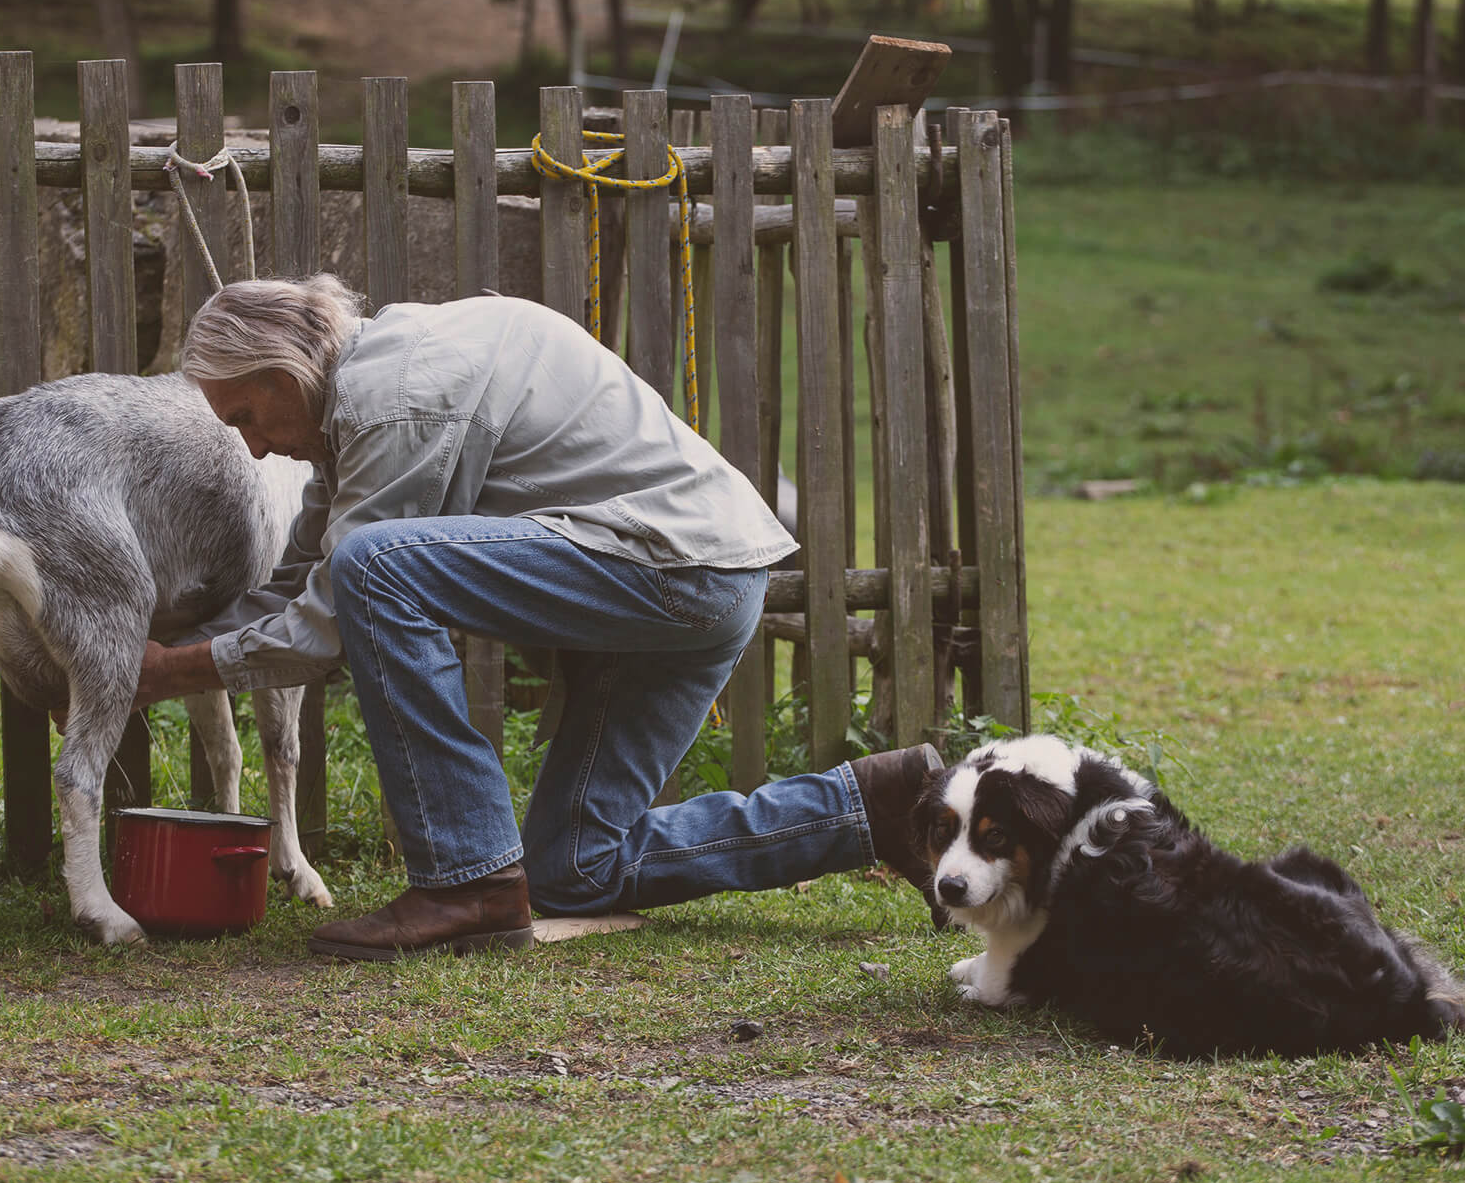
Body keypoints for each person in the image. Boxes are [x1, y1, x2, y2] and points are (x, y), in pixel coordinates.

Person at [135, 274, 940, 961]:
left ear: (282, 372)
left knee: (374, 568)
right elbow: (300, 576)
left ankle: (467, 882)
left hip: (671, 571)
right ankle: (874, 803)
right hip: (704, 579)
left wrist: (172, 672)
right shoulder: (363, 398)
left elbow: (333, 615)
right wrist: (162, 651)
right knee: (577, 870)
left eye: (244, 417)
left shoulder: (398, 400)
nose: (253, 450)